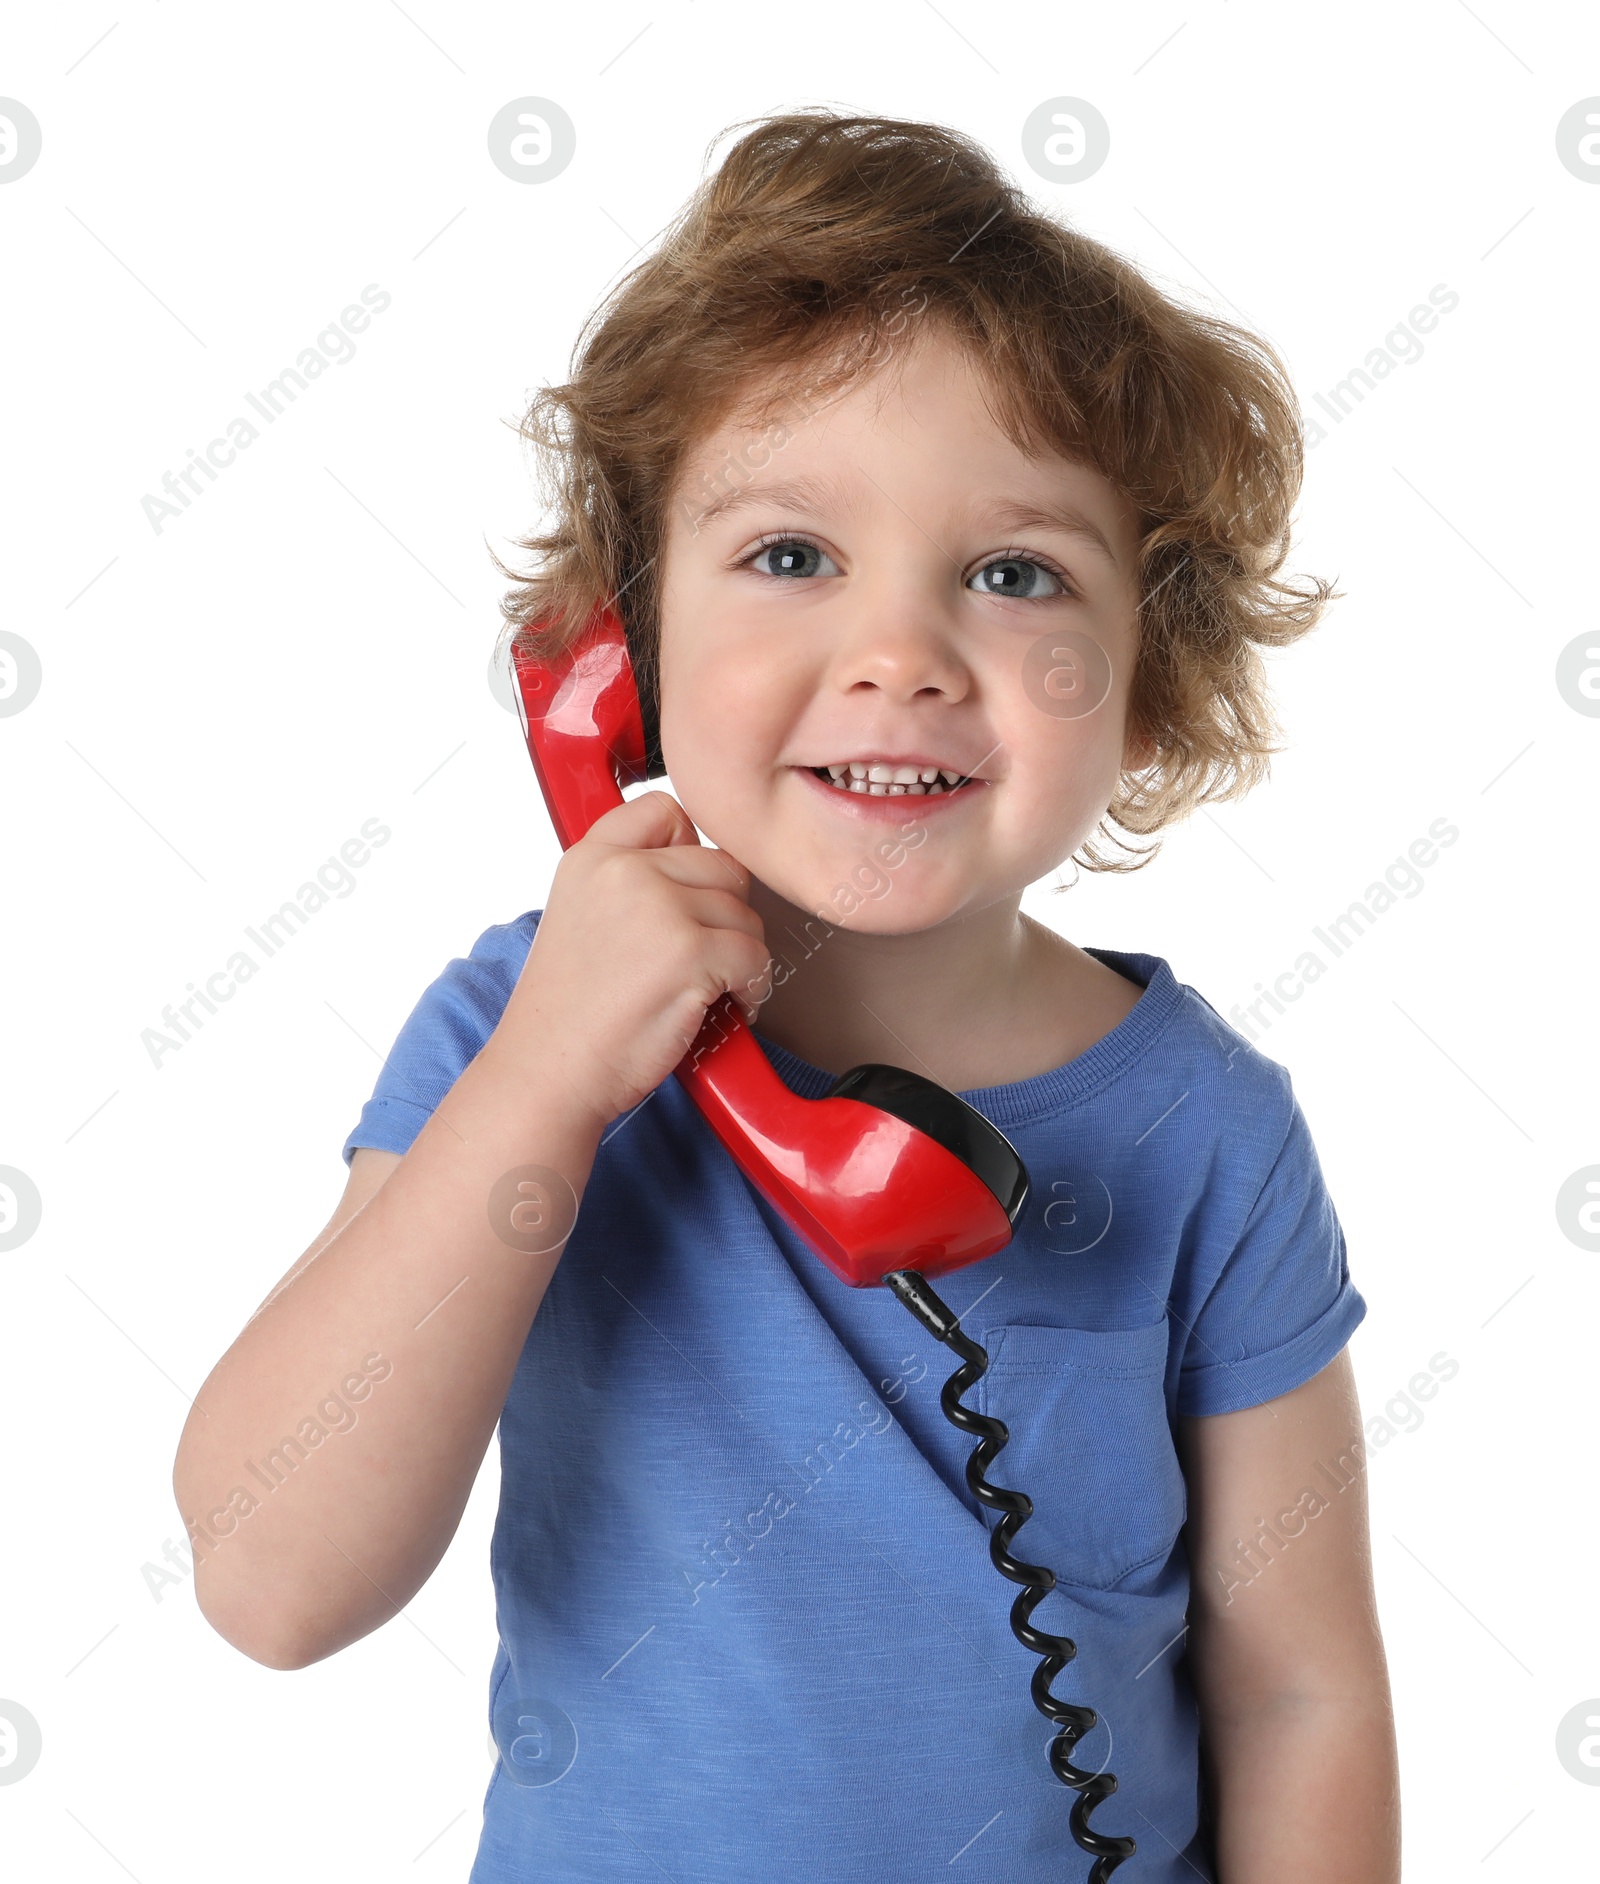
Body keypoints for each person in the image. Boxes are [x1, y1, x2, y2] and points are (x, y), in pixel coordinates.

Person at [173, 111, 1401, 1882]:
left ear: (1148, 684)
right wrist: (545, 1090)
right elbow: (273, 1583)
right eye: (790, 555)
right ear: (624, 653)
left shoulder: (1208, 1128)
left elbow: (1300, 1695)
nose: (901, 653)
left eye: (1013, 573)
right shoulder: (511, 1036)